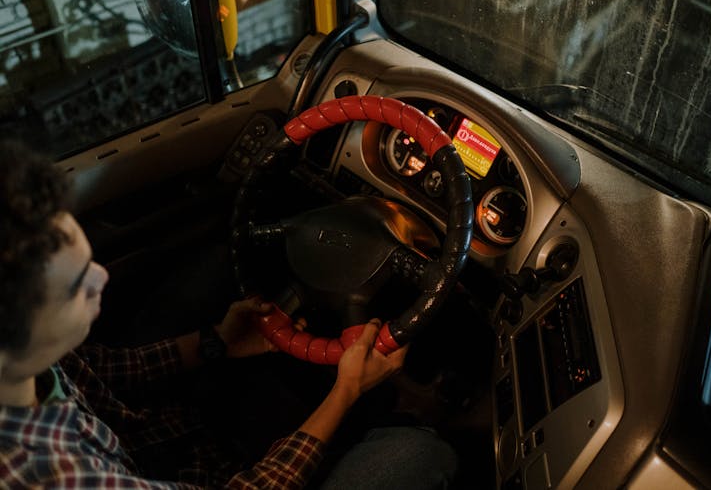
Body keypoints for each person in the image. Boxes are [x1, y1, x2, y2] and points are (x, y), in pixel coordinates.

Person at [0, 141, 457, 489]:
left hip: (151, 444)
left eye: (88, 261)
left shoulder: (27, 364)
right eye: (76, 286)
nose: (101, 277)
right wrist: (347, 390)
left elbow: (107, 372)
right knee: (422, 454)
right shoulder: (52, 475)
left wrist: (216, 340)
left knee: (217, 264)